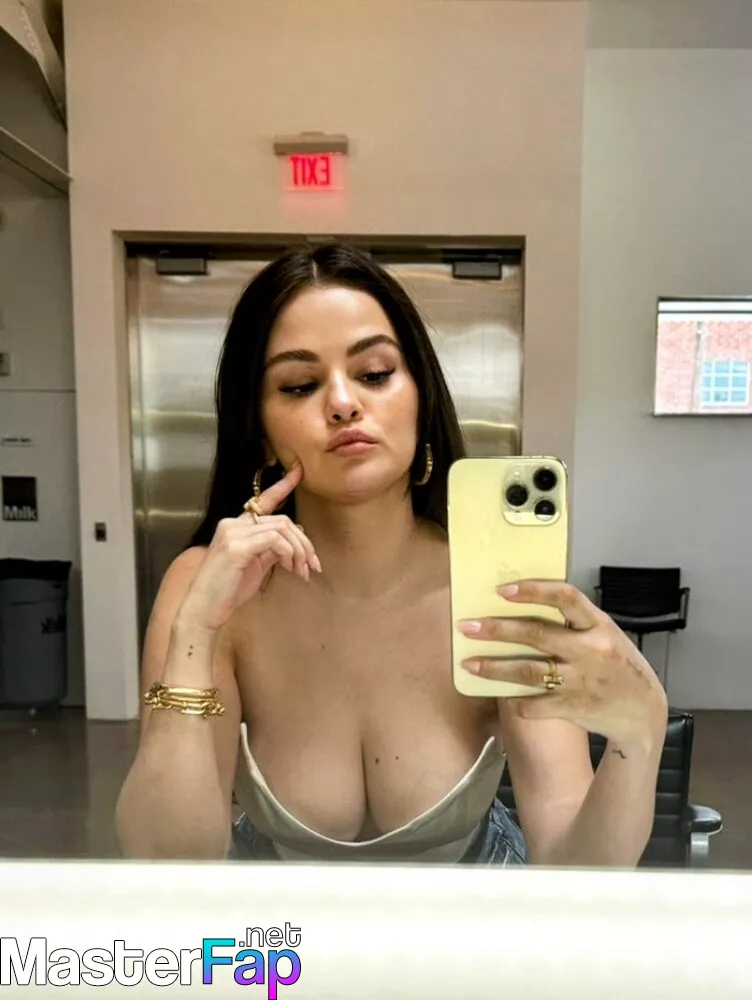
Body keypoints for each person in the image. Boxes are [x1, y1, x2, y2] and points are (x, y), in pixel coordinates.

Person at [115, 243, 668, 866]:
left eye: (375, 374)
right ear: (260, 429)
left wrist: (639, 735)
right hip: (280, 928)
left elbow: (575, 866)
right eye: (299, 385)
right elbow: (164, 863)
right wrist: (194, 634)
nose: (343, 403)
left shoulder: (496, 588)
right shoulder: (210, 586)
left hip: (467, 924)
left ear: (421, 398)